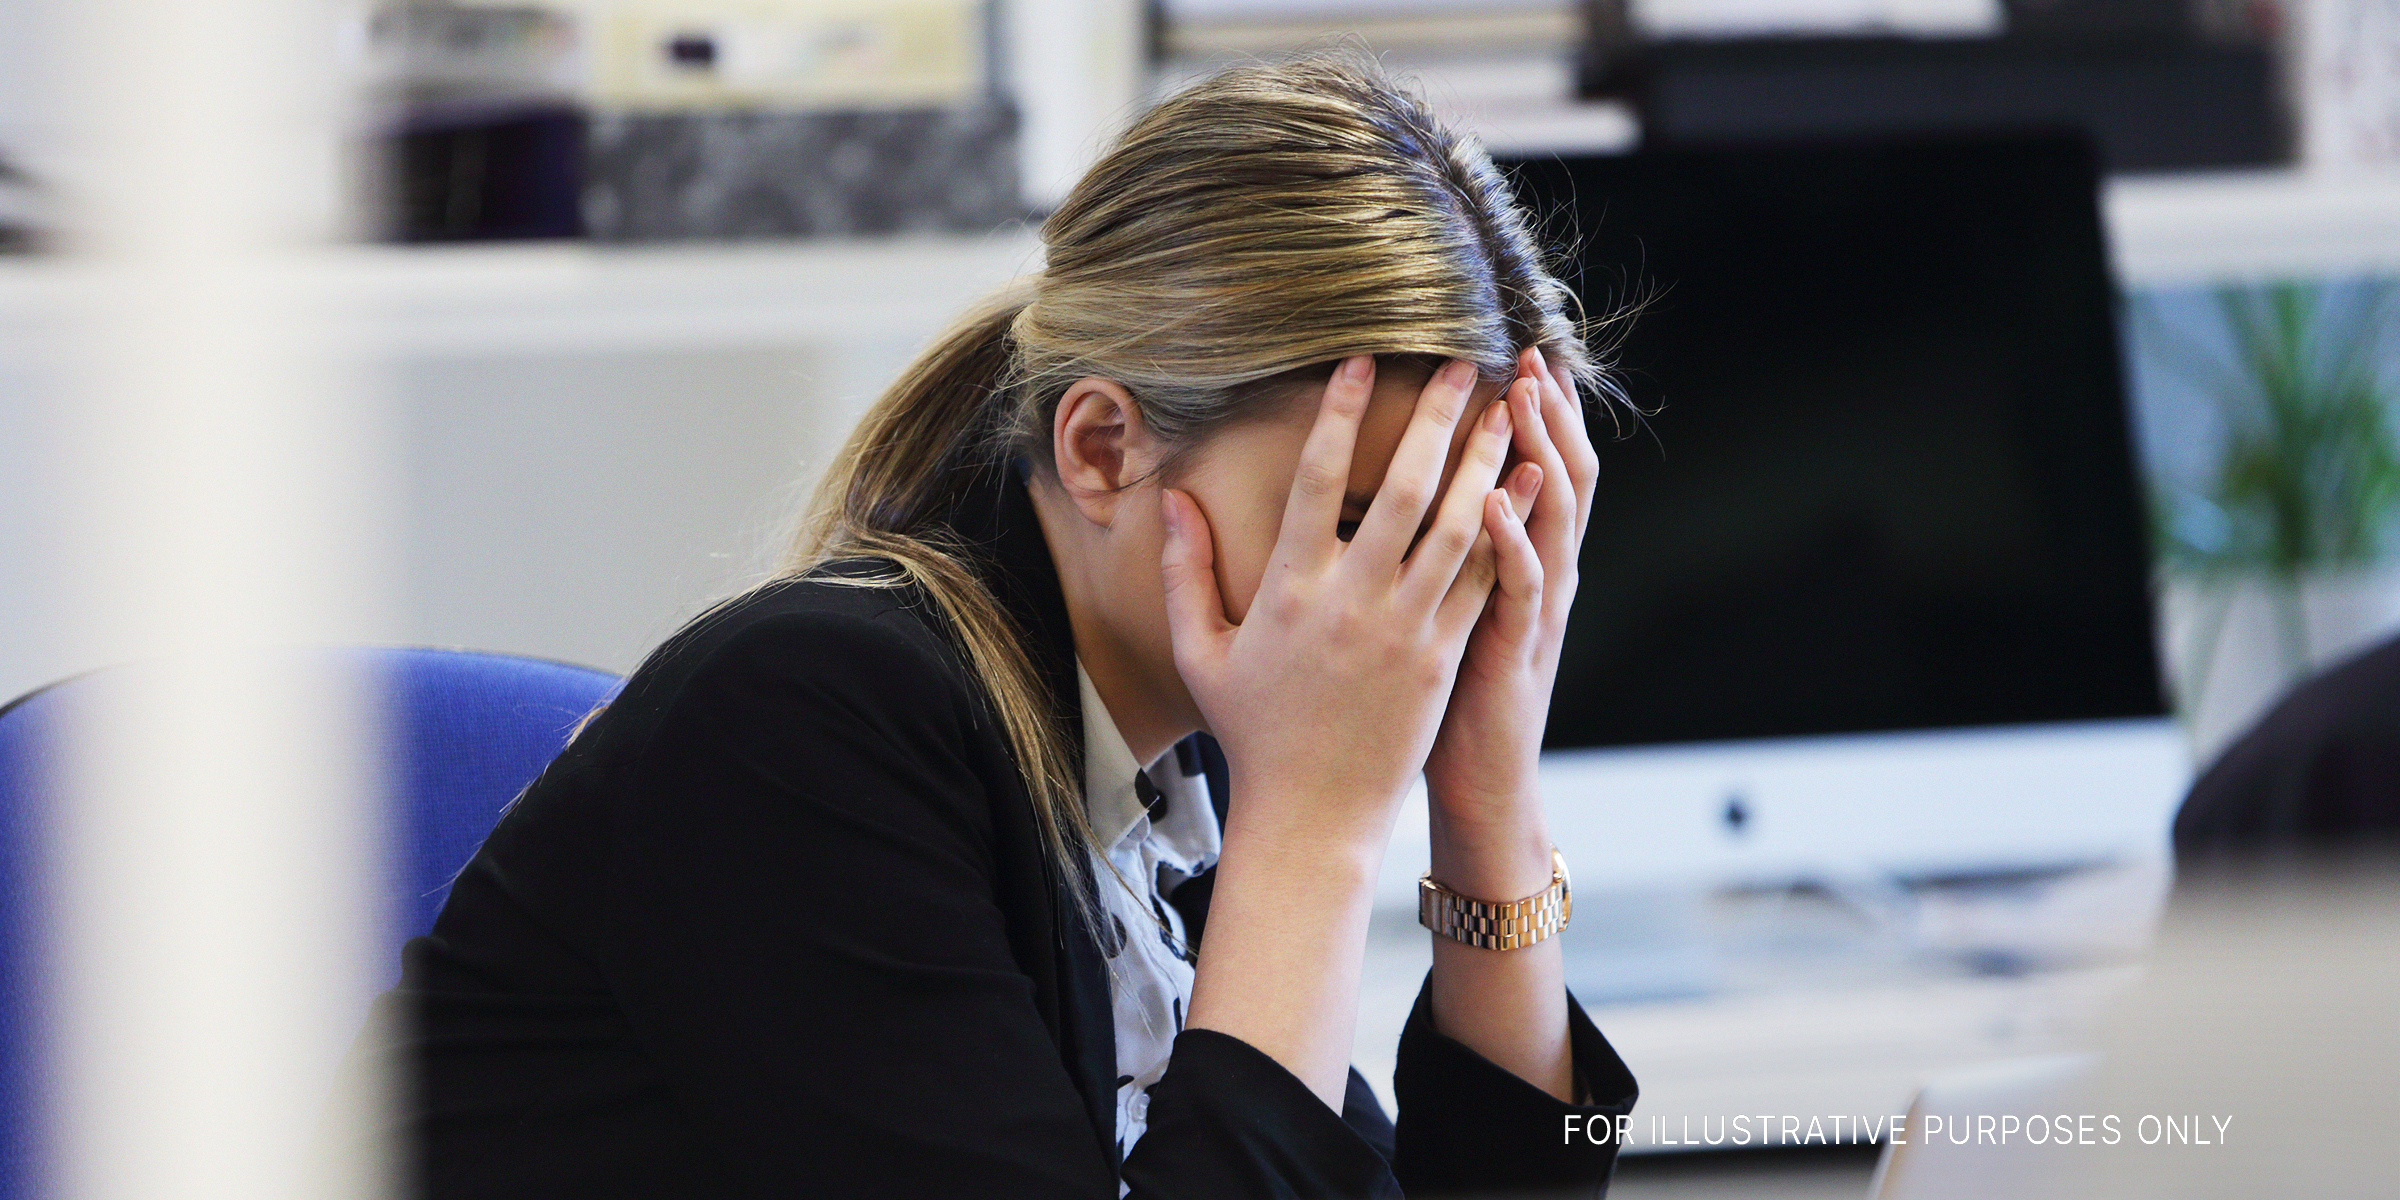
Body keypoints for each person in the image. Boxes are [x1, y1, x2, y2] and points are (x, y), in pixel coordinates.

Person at [354, 55, 1641, 1198]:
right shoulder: (808, 723)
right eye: (1360, 519)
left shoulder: (1174, 761)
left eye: (1464, 528)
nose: (1411, 599)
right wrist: (1314, 834)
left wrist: (1487, 801)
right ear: (1100, 448)